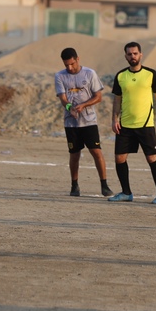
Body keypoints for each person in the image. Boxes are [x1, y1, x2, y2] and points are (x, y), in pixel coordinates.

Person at [109, 42, 156, 204]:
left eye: (135, 53)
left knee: (152, 158)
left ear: (141, 54)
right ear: (125, 56)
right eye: (129, 54)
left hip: (145, 124)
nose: (132, 56)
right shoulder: (121, 76)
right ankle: (126, 192)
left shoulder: (150, 74)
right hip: (125, 125)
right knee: (119, 158)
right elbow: (117, 99)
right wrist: (114, 119)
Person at [54, 48, 113, 198]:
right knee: (74, 154)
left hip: (89, 121)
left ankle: (104, 185)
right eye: (66, 65)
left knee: (96, 151)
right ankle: (74, 185)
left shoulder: (90, 73)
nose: (69, 67)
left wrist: (83, 105)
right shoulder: (60, 76)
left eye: (72, 64)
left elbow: (98, 97)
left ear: (78, 59)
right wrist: (70, 108)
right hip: (71, 123)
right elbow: (63, 98)